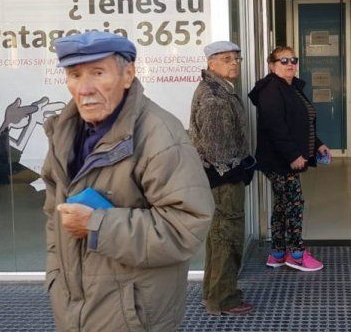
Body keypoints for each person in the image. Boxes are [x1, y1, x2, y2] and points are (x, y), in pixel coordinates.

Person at [42, 31, 214, 332]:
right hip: (71, 310)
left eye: (98, 73)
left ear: (128, 75)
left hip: (133, 314)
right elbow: (52, 215)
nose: (85, 88)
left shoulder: (160, 135)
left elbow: (187, 225)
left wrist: (97, 225)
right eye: (75, 75)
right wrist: (55, 274)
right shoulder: (64, 132)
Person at [248, 46, 329, 272]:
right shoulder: (271, 89)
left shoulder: (290, 87)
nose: (290, 64)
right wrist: (293, 155)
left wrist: (318, 143)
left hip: (285, 157)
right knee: (294, 204)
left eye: (293, 60)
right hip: (280, 160)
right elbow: (276, 127)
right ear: (271, 65)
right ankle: (296, 254)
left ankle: (277, 253)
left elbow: (300, 123)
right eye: (283, 61)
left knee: (283, 206)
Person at [189, 41, 256, 316]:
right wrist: (239, 169)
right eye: (226, 58)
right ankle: (223, 299)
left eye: (236, 58)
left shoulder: (219, 88)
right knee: (227, 237)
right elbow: (217, 150)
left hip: (223, 177)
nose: (233, 63)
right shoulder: (214, 97)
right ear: (211, 63)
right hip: (224, 180)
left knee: (219, 236)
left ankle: (213, 293)